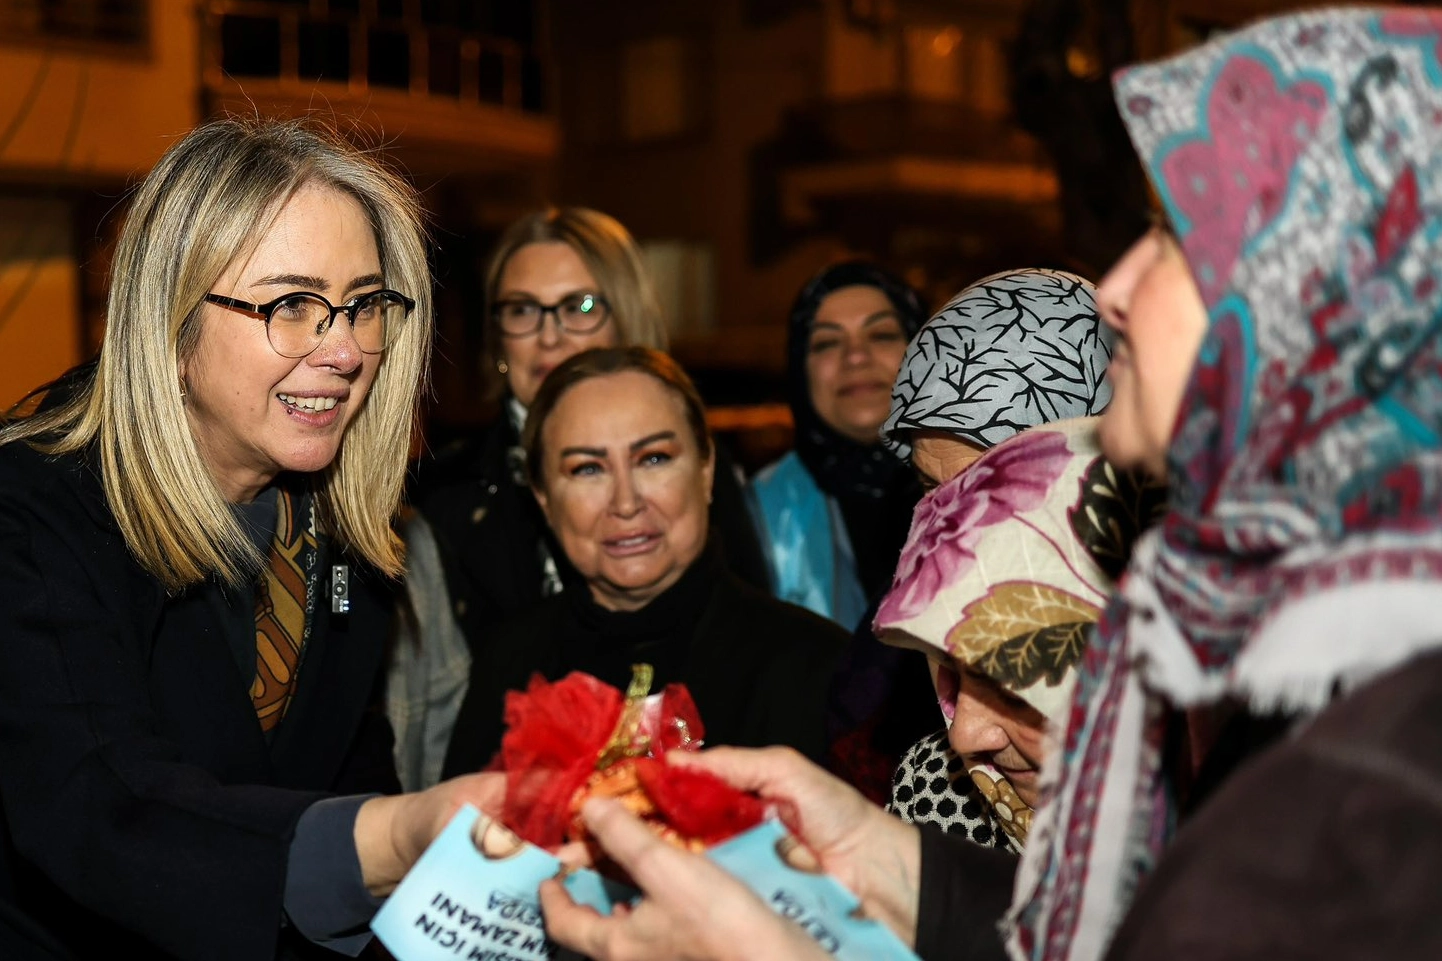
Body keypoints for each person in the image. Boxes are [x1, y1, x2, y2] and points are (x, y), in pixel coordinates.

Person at [538, 8, 1442, 960]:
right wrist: (892, 864)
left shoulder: (1384, 755)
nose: (1115, 288)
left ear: (1326, 306)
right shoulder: (1259, 643)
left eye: (1176, 238)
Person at [0, 117, 503, 960]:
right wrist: (394, 835)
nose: (343, 349)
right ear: (172, 322)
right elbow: (100, 802)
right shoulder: (31, 514)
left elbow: (345, 772)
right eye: (292, 304)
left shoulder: (344, 522)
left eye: (364, 304)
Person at [388, 207, 767, 790]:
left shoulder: (696, 467)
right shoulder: (431, 498)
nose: (549, 335)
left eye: (580, 307)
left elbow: (745, 648)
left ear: (628, 320)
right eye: (521, 311)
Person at [440, 347, 848, 777]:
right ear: (543, 497)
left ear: (706, 470)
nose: (626, 503)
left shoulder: (818, 667)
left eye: (653, 459)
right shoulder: (507, 666)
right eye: (586, 469)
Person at [827, 269, 1124, 805]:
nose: (951, 529)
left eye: (990, 490)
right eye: (930, 490)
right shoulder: (937, 781)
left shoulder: (1225, 727)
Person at [875, 417, 1161, 852]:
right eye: (951, 674)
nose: (964, 735)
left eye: (1012, 689)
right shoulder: (945, 793)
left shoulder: (1280, 834)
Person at [748, 261, 927, 630]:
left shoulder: (984, 487)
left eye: (880, 335)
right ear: (800, 370)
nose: (856, 357)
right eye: (828, 342)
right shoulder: (757, 514)